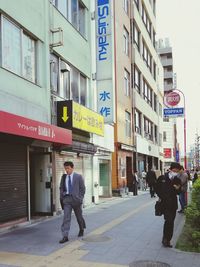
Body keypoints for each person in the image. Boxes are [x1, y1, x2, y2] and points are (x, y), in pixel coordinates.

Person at [155, 162, 182, 248]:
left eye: (177, 171)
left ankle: (167, 239)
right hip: (164, 203)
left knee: (170, 221)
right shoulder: (162, 178)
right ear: (171, 169)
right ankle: (166, 239)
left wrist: (178, 189)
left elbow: (179, 192)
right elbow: (156, 188)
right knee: (168, 221)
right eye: (175, 170)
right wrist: (161, 196)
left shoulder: (177, 180)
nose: (176, 172)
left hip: (173, 204)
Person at [59, 161, 86, 244]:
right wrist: (63, 195)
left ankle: (81, 228)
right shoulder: (64, 177)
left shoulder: (78, 177)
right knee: (66, 218)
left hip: (76, 200)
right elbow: (61, 188)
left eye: (68, 168)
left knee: (79, 217)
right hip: (67, 200)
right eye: (65, 168)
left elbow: (82, 189)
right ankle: (65, 236)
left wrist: (80, 198)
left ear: (72, 168)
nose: (67, 170)